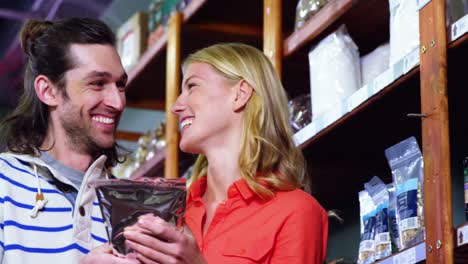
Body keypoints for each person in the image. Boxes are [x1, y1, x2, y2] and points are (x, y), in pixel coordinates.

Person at [85, 42, 329, 264]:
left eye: (192, 86)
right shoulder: (172, 215)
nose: (176, 107)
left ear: (240, 94)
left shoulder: (297, 211)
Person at [0, 18, 137, 264]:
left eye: (120, 85)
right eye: (97, 84)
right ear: (48, 91)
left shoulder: (131, 205)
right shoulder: (3, 182)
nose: (117, 102)